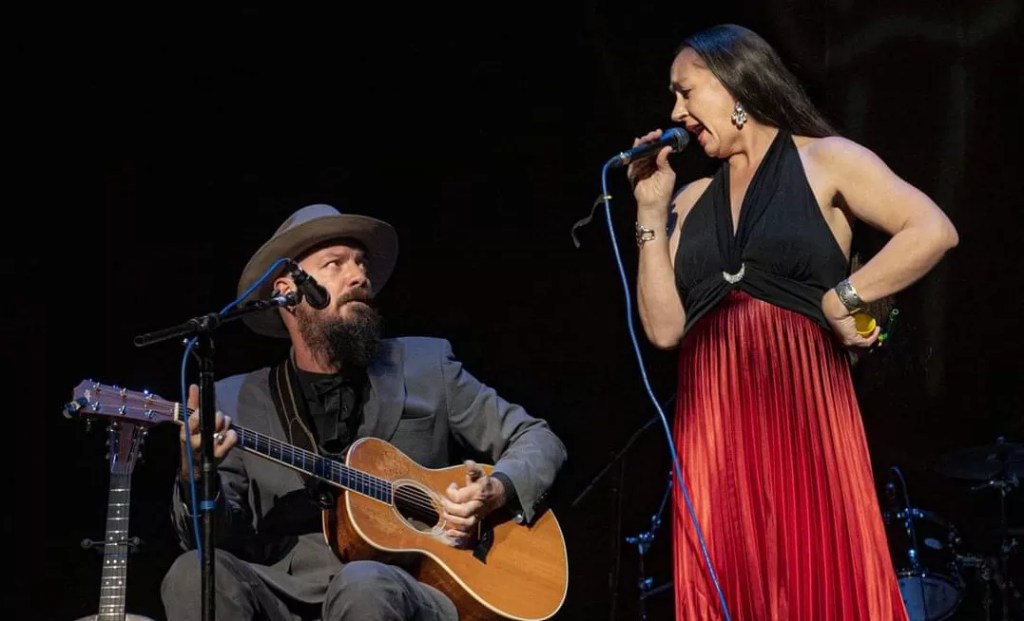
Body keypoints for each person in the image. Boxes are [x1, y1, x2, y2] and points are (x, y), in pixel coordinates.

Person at [628, 24, 958, 621]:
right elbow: (664, 329)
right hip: (713, 431)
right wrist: (651, 211)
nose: (675, 110)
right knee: (729, 586)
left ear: (735, 82)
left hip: (801, 412)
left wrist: (844, 298)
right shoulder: (688, 199)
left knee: (816, 577)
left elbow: (932, 229)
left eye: (685, 91)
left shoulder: (826, 160)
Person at [160, 203, 567, 620]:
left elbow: (538, 439)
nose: (359, 277)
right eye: (335, 264)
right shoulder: (234, 401)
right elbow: (214, 539)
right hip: (287, 592)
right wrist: (197, 475)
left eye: (360, 263)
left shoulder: (426, 366)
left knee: (364, 582)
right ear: (286, 292)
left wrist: (496, 489)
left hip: (409, 587)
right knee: (193, 571)